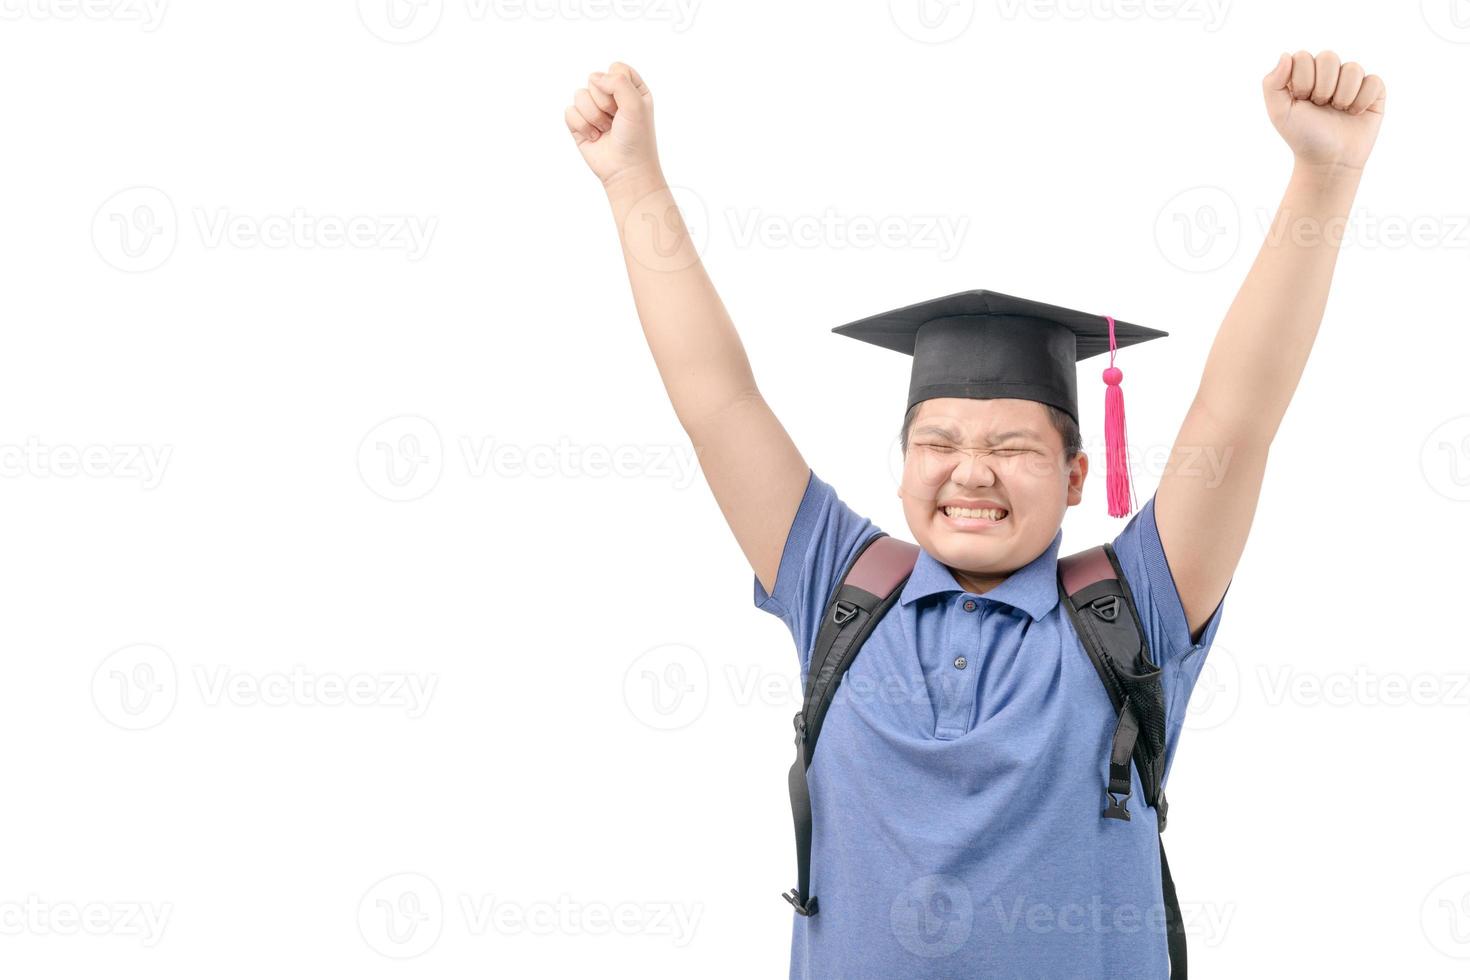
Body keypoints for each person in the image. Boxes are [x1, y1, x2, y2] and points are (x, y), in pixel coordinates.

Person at [564, 51, 1385, 979]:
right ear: (904, 458)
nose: (970, 475)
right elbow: (717, 401)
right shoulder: (840, 585)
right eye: (939, 443)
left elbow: (1236, 417)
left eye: (1013, 449)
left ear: (1077, 474)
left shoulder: (1133, 611)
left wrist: (1326, 174)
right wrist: (633, 177)